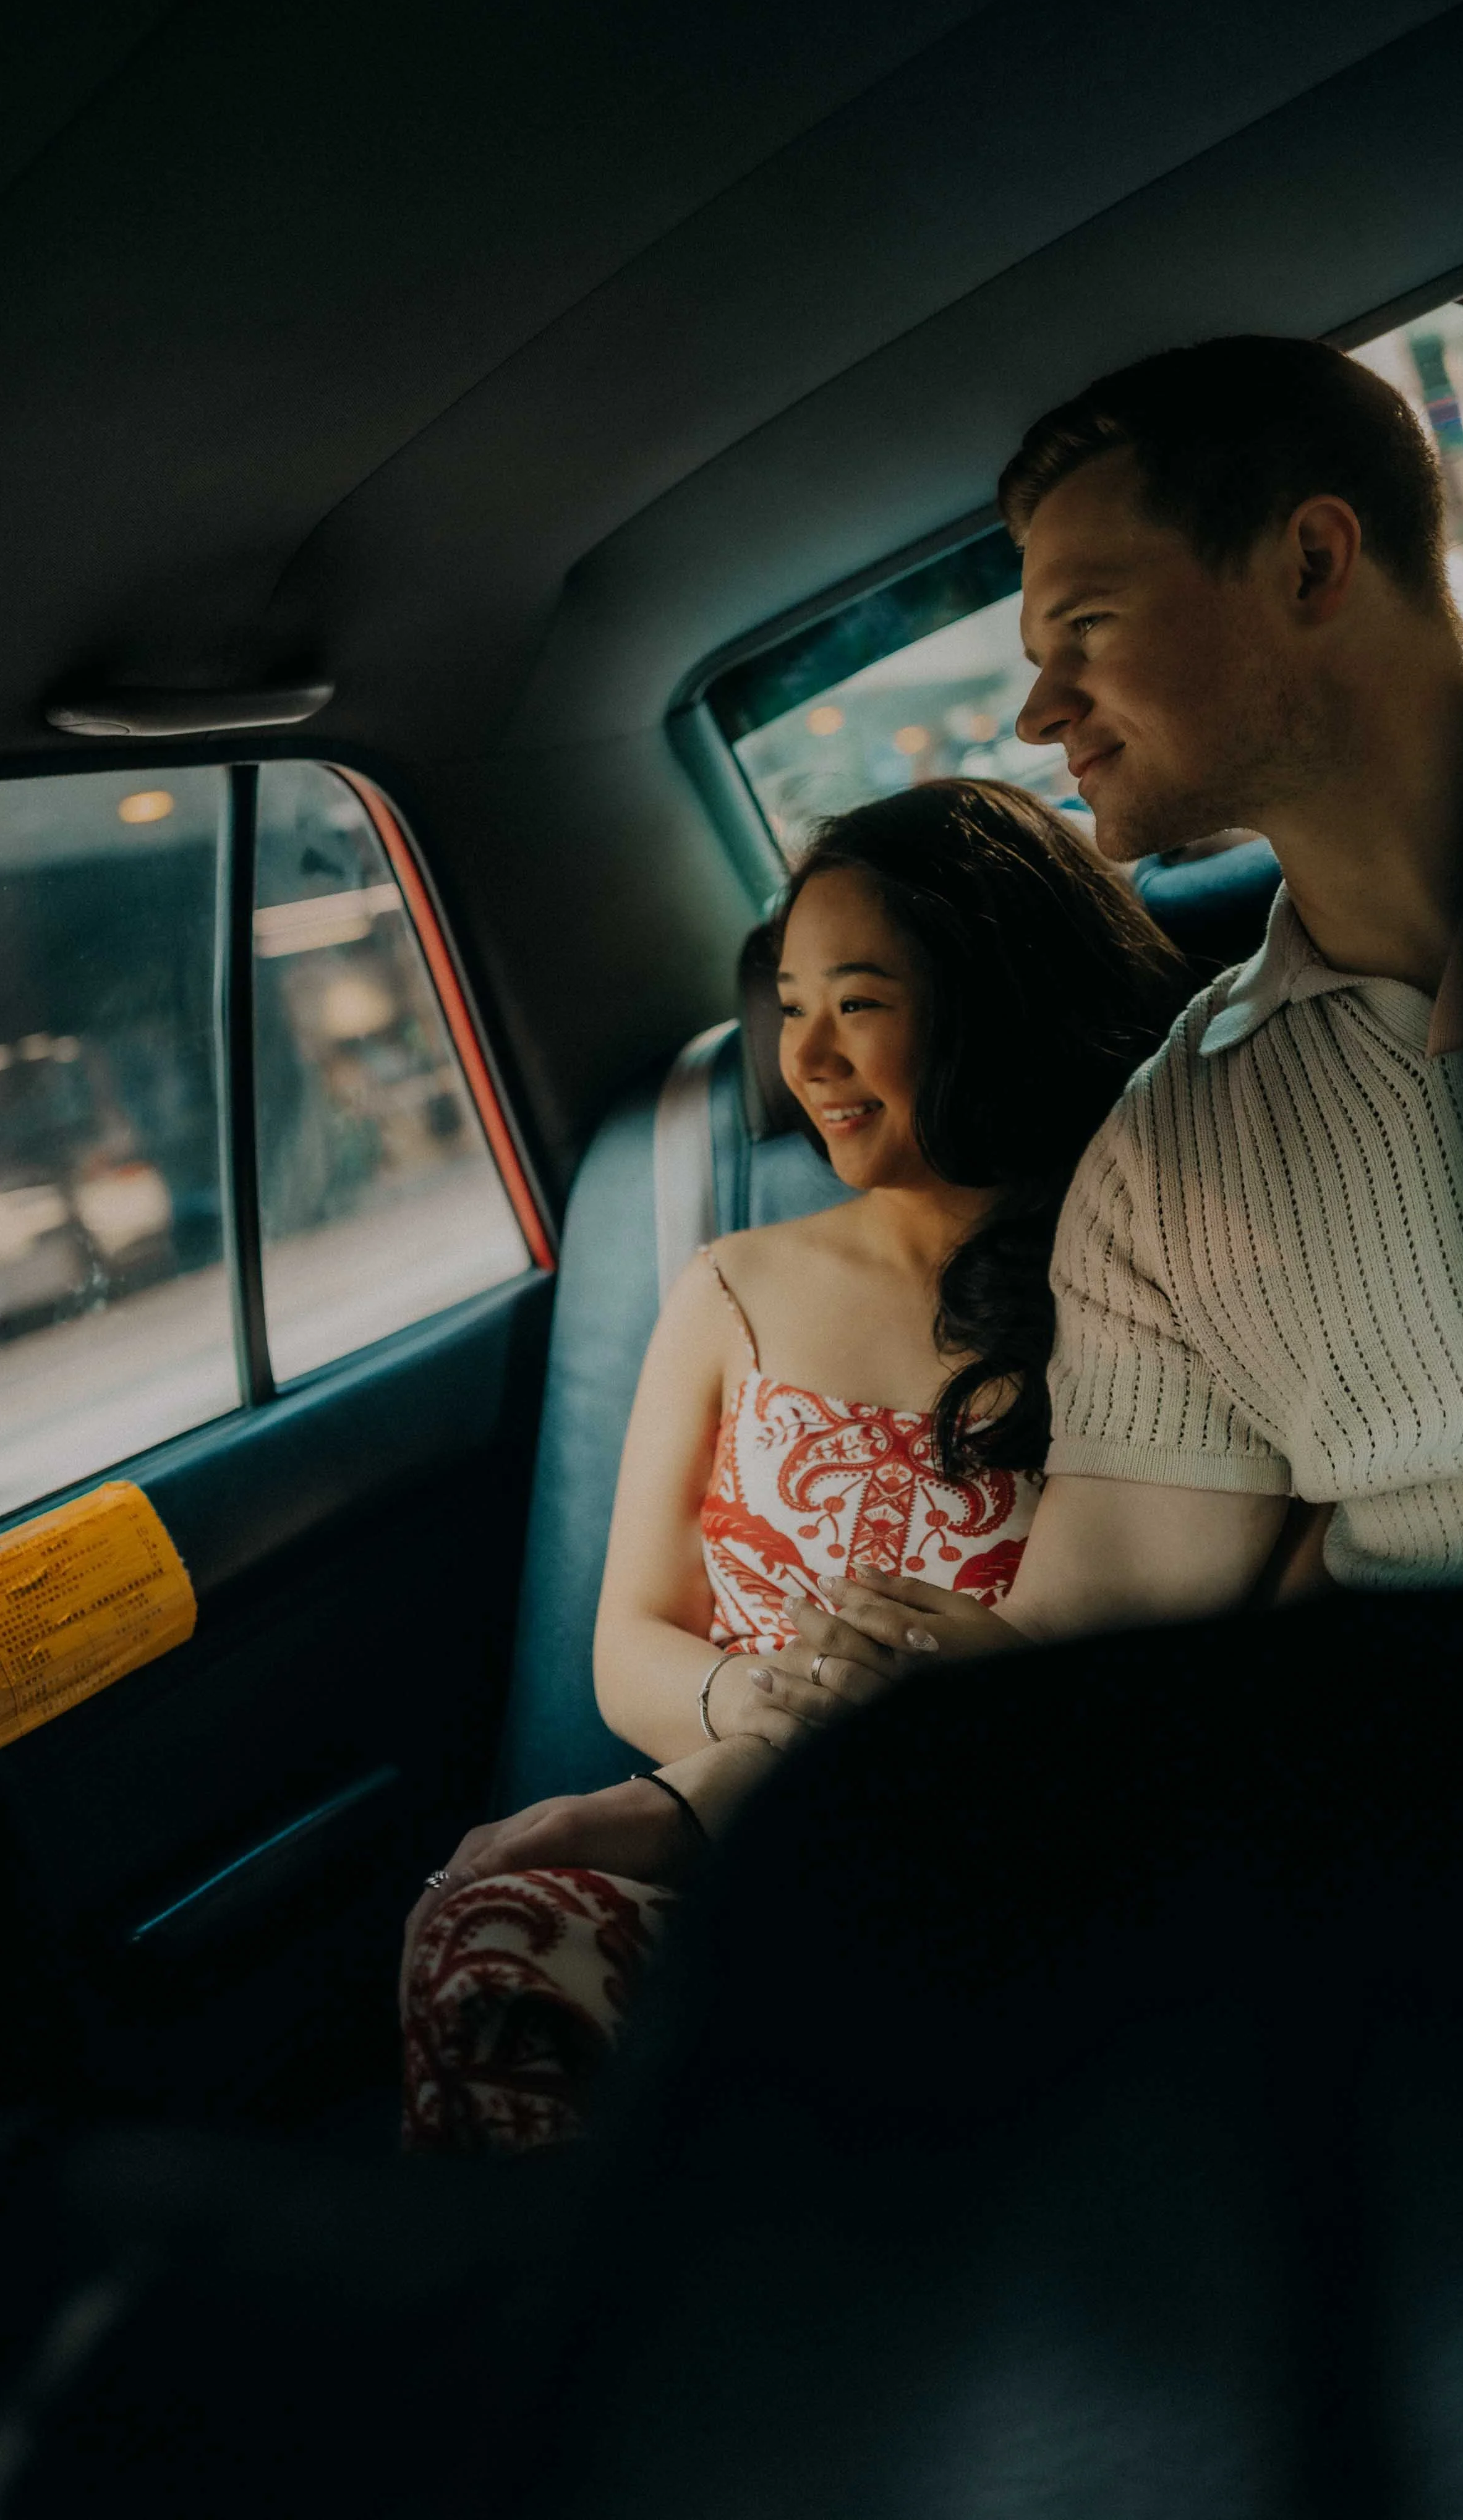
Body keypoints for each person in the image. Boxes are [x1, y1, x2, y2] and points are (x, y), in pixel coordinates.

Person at [401, 778, 1187, 2148]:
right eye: (791, 999)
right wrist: (760, 1712)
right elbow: (629, 1643)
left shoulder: (1130, 1280)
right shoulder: (729, 1286)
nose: (806, 1056)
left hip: (1017, 1872)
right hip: (738, 1842)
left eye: (862, 1001)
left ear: (983, 999)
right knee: (489, 1938)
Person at [793, 330, 1463, 1703]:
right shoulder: (1167, 1153)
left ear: (1310, 563)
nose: (1037, 713)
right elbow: (1094, 1620)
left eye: (1085, 628)